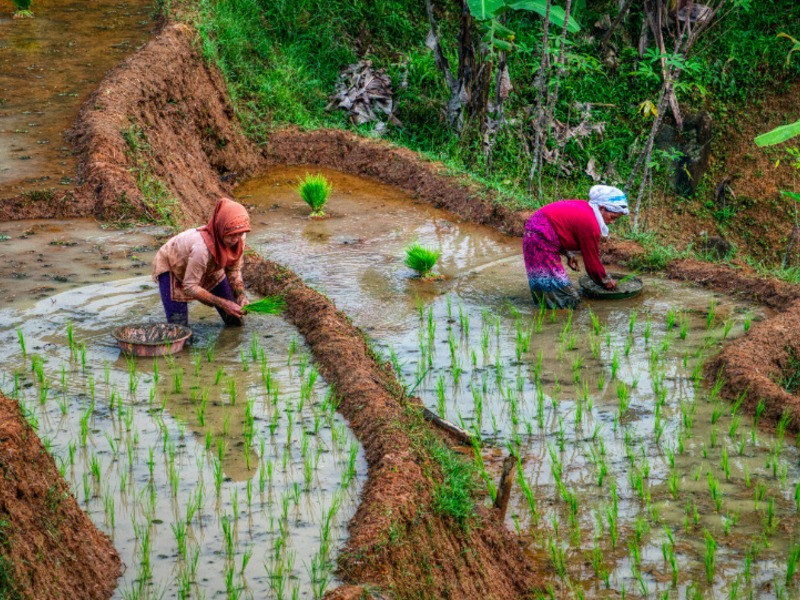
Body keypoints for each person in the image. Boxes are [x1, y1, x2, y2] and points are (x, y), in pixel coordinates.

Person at [523, 185, 629, 309]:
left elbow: (558, 227)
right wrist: (605, 281)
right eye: (612, 217)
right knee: (566, 300)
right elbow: (592, 262)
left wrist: (568, 253)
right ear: (602, 208)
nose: (611, 222)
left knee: (548, 286)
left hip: (536, 233)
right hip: (539, 239)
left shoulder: (586, 209)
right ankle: (554, 320)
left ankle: (547, 308)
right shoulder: (591, 224)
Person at [152, 197, 250, 327]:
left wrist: (241, 295)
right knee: (179, 330)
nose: (235, 240)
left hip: (210, 265)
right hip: (174, 266)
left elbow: (234, 270)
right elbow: (190, 286)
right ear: (220, 228)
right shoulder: (201, 249)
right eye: (231, 235)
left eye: (239, 234)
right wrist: (223, 303)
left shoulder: (239, 240)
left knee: (235, 320)